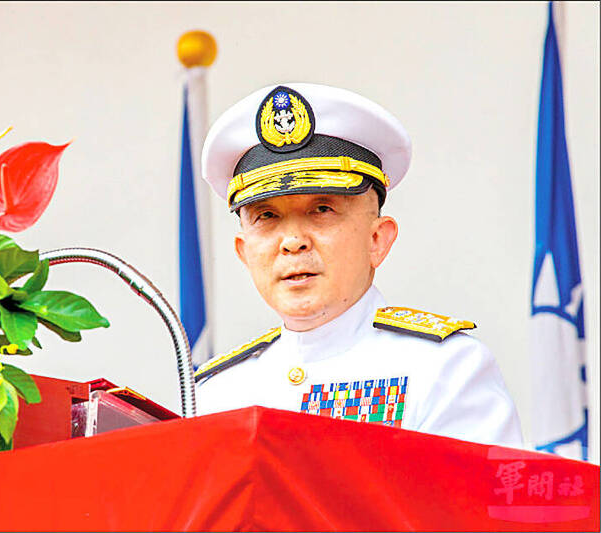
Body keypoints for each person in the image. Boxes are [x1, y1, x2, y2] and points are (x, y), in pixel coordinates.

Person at [194, 83, 523, 448]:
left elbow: (494, 505)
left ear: (377, 240)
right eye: (267, 216)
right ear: (244, 252)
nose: (292, 242)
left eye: (322, 210)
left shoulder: (445, 369)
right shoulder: (214, 395)